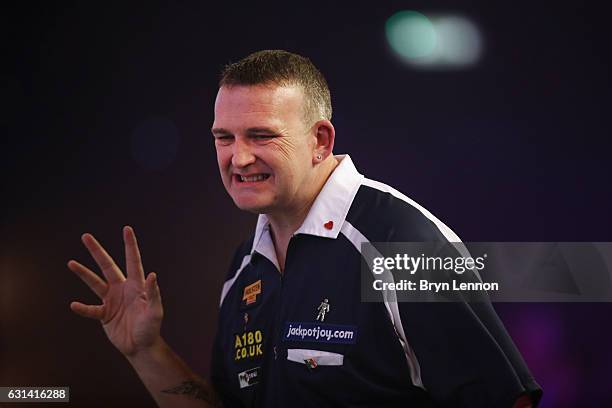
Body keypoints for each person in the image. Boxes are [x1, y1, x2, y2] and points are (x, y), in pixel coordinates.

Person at [69, 50, 542, 407]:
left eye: (261, 135)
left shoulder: (402, 241)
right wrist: (146, 351)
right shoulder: (245, 266)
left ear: (320, 140)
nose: (239, 157)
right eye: (224, 138)